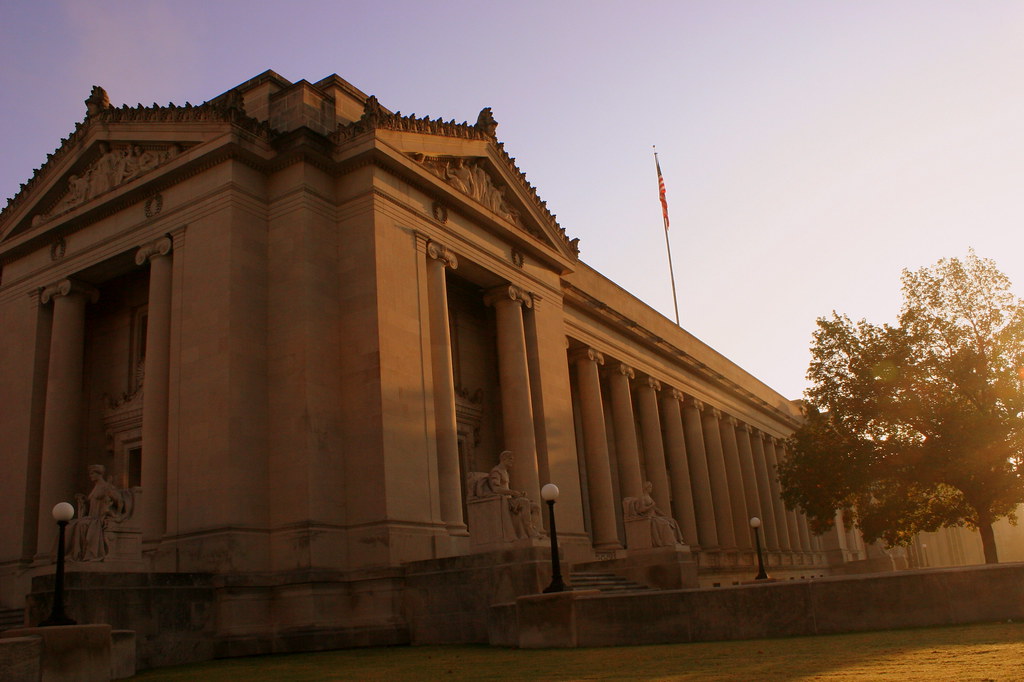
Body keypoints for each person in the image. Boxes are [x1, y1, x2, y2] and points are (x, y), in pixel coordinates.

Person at [66, 465, 125, 561]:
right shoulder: (96, 487)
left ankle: (84, 554)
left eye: (92, 473)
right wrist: (83, 501)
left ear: (99, 474)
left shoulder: (106, 487)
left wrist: (117, 515)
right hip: (91, 517)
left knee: (81, 525)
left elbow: (119, 501)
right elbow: (91, 504)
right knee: (70, 525)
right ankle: (71, 555)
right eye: (90, 473)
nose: (90, 476)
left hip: (99, 518)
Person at [487, 451, 542, 540]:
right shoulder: (496, 471)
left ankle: (533, 529)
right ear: (503, 459)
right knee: (524, 502)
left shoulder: (506, 472)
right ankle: (528, 529)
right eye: (510, 459)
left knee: (535, 507)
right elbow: (495, 489)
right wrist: (513, 492)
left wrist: (519, 494)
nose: (512, 462)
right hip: (503, 501)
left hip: (510, 500)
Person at [624, 481, 684, 547]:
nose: (651, 488)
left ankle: (677, 540)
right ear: (646, 488)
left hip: (654, 517)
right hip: (649, 518)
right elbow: (640, 510)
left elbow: (655, 509)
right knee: (665, 524)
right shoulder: (642, 498)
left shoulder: (649, 497)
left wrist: (664, 515)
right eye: (650, 487)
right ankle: (669, 542)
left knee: (672, 521)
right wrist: (651, 506)